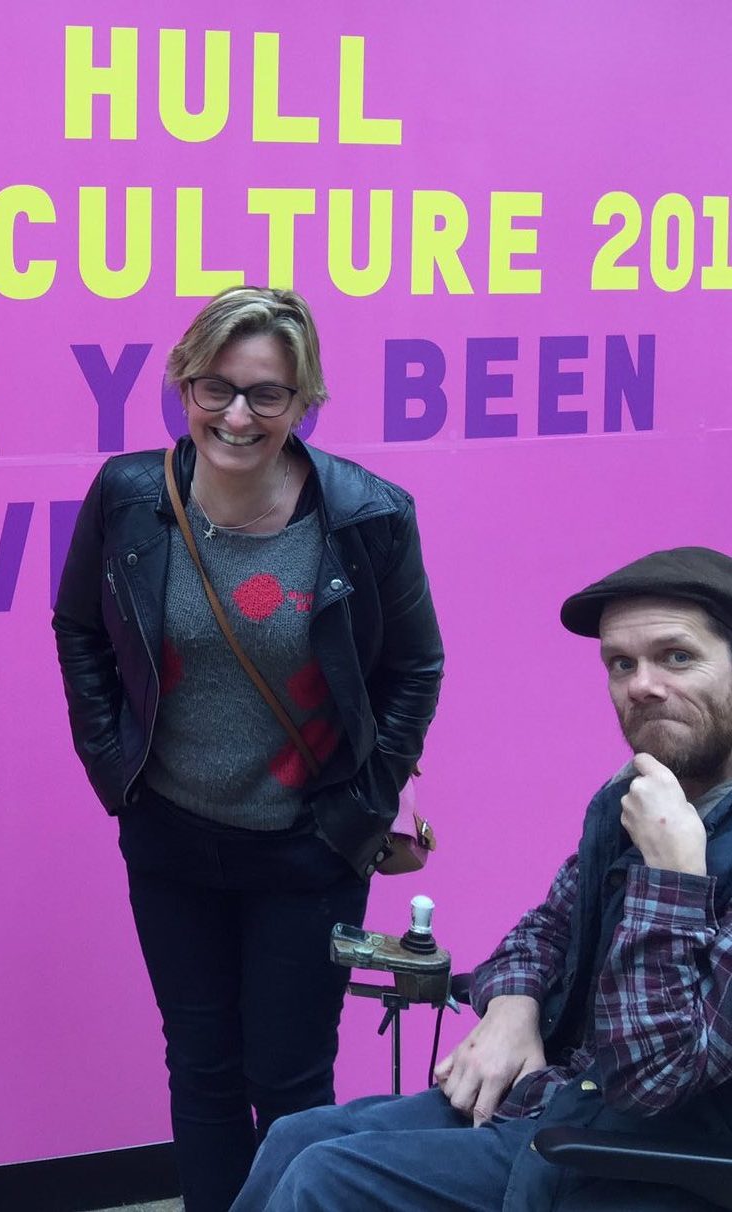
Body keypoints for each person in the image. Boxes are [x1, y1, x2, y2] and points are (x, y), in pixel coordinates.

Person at [53, 285, 444, 1212]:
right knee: (201, 1068)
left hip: (306, 849)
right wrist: (117, 766)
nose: (236, 415)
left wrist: (359, 810)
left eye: (266, 394)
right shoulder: (130, 495)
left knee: (293, 1079)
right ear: (182, 386)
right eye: (214, 388)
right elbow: (80, 628)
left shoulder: (367, 516)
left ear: (304, 400)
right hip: (172, 839)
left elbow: (415, 669)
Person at [231, 546, 732, 1212]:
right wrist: (513, 1009)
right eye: (621, 664)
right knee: (296, 1138)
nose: (641, 685)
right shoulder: (633, 800)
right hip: (559, 1104)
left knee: (328, 1179)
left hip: (643, 1159)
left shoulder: (667, 830)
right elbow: (547, 928)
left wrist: (673, 877)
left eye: (677, 657)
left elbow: (657, 1078)